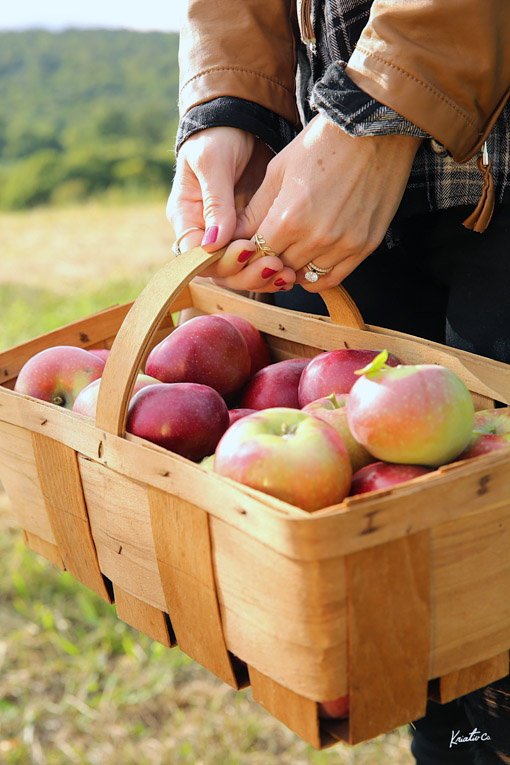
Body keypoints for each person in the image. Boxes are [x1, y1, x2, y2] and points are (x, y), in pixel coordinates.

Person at [168, 2, 510, 762]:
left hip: (455, 145)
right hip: (333, 182)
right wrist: (230, 106)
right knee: (436, 647)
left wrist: (382, 105)